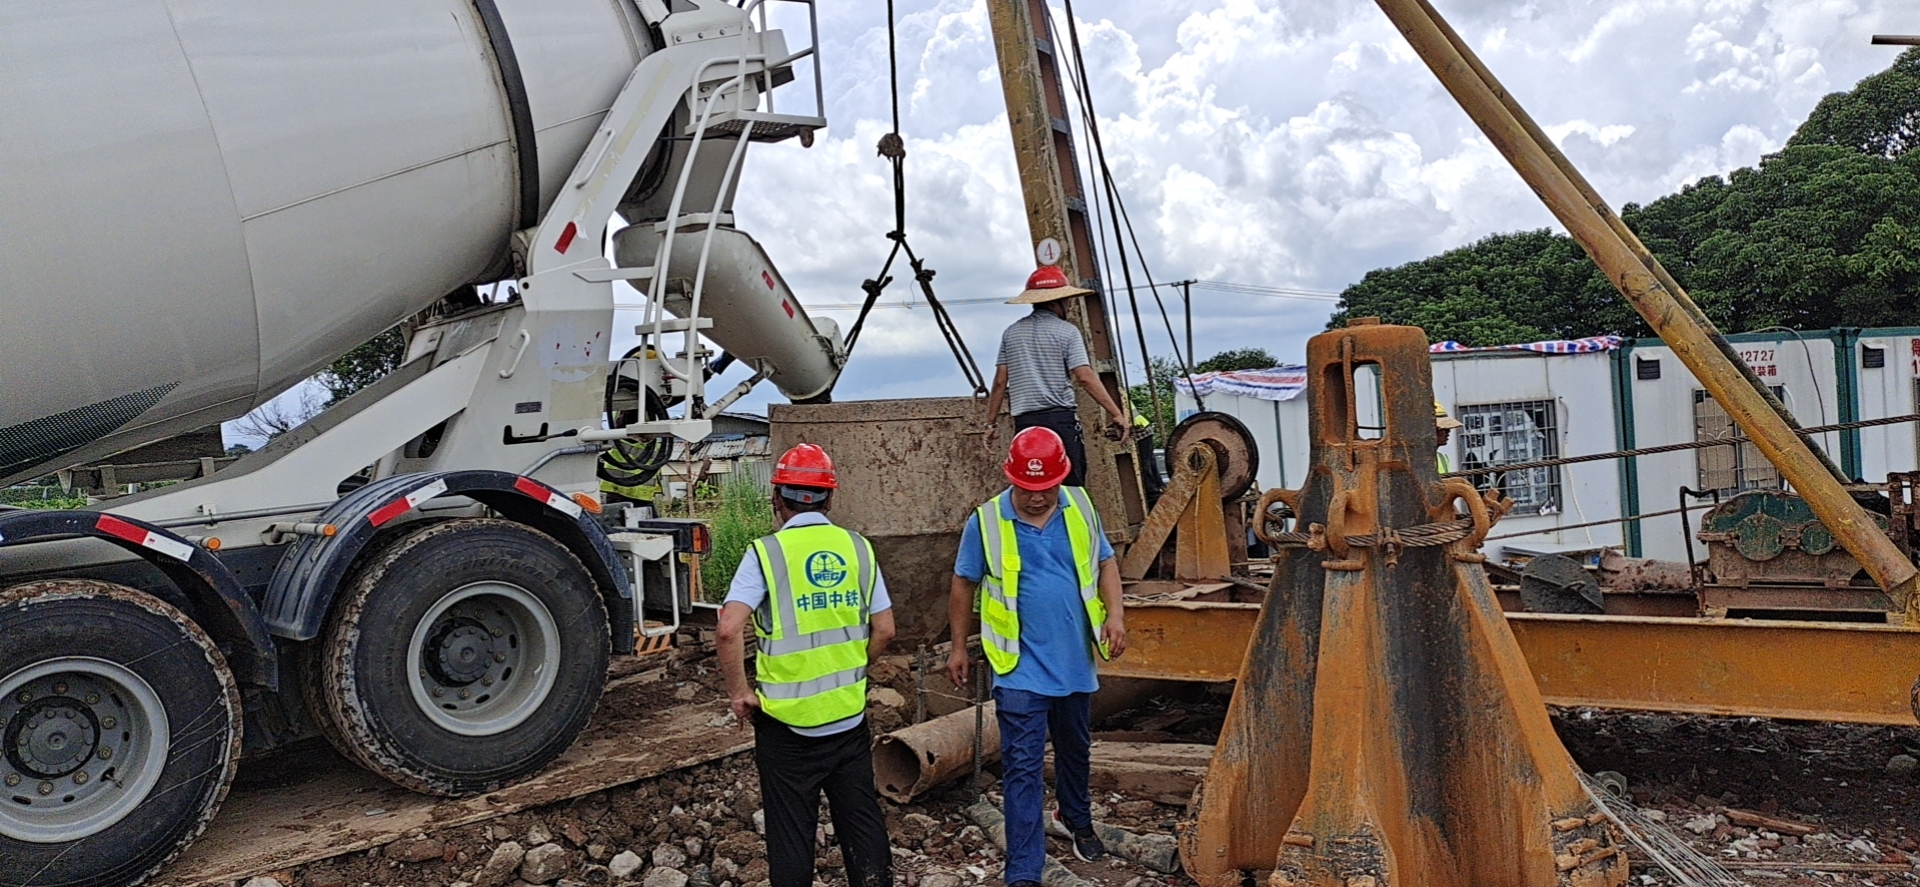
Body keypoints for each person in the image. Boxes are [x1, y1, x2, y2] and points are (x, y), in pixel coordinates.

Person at [947, 427, 1128, 887]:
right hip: (1018, 664)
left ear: (1060, 479)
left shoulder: (1081, 508)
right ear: (1012, 480)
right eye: (1027, 489)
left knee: (1075, 749)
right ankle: (1025, 868)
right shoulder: (985, 522)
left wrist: (1116, 617)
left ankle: (1076, 818)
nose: (1035, 498)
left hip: (1073, 660)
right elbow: (963, 583)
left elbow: (1105, 562)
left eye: (1045, 488)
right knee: (1022, 765)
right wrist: (957, 646)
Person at [717, 443, 896, 887]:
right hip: (847, 717)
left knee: (791, 836)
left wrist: (740, 693)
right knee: (862, 824)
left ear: (778, 497)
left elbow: (727, 629)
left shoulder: (765, 554)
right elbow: (886, 630)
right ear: (830, 499)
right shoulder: (858, 548)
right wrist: (855, 667)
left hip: (785, 727)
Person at [982, 267, 1131, 487]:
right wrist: (1116, 414)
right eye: (1067, 300)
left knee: (1033, 485)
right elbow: (1084, 377)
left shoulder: (1011, 333)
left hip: (1026, 426)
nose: (1069, 306)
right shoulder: (1067, 332)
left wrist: (991, 423)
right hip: (1060, 422)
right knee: (1070, 486)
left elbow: (1000, 382)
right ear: (1054, 302)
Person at [1435, 401, 1463, 473]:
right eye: (1443, 429)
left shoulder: (1443, 458)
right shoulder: (1414, 461)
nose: (1448, 432)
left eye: (1448, 428)